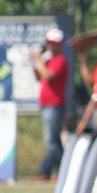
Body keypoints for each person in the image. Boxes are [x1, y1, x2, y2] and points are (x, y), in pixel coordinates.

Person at [35, 28, 69, 180]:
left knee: (51, 140)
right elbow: (39, 76)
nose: (50, 46)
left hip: (54, 104)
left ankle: (47, 170)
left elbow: (48, 76)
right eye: (49, 43)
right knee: (54, 140)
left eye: (53, 44)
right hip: (46, 104)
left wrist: (38, 60)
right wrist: (36, 63)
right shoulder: (48, 60)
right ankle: (61, 169)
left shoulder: (60, 60)